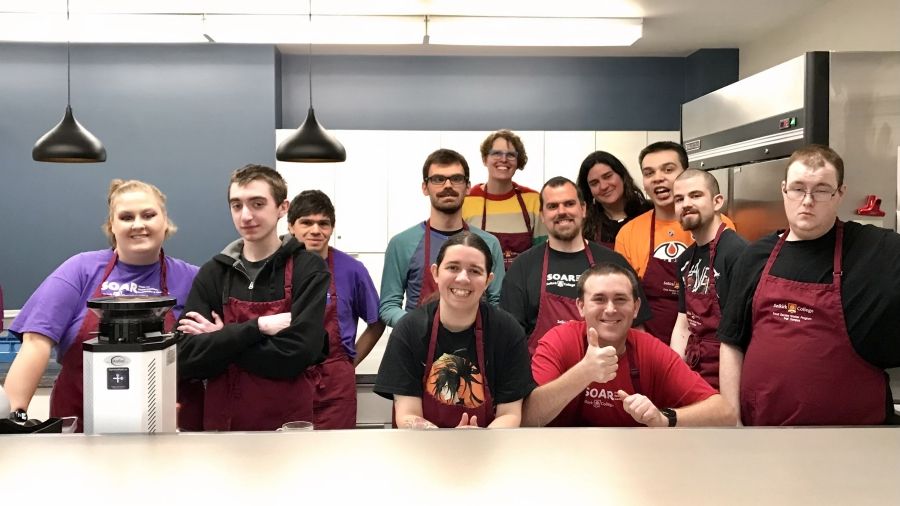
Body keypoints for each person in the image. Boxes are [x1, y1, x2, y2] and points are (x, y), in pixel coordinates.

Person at [718, 145, 900, 426]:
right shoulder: (755, 256)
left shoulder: (876, 250)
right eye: (798, 188)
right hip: (764, 434)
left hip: (854, 439)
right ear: (784, 190)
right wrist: (732, 419)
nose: (808, 200)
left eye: (822, 189)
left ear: (840, 194)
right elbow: (732, 342)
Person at [4, 179, 198, 431]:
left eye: (148, 215)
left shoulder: (193, 278)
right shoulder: (79, 270)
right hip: (80, 426)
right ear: (111, 226)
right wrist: (13, 418)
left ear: (165, 222)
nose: (138, 224)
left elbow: (210, 350)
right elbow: (35, 342)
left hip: (165, 426)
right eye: (126, 217)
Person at [176, 164, 329, 431]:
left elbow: (298, 353)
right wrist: (258, 328)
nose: (246, 215)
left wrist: (222, 337)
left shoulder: (308, 269)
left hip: (288, 429)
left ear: (283, 208)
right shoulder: (213, 273)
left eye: (257, 204)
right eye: (237, 206)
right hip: (223, 429)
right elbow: (186, 356)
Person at [523, 262, 736, 427]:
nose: (610, 309)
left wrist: (665, 418)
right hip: (561, 461)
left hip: (632, 464)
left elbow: (725, 414)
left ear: (636, 308)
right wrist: (583, 373)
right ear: (580, 306)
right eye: (598, 299)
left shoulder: (650, 350)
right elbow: (528, 417)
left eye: (620, 299)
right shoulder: (558, 341)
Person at [375, 231, 535, 428]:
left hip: (490, 450)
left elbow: (510, 415)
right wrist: (449, 441)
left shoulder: (508, 333)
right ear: (435, 272)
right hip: (422, 451)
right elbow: (407, 414)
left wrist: (478, 440)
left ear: (488, 280)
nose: (463, 278)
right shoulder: (409, 330)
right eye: (452, 267)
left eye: (475, 271)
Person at [501, 176, 651, 355]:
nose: (561, 211)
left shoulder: (614, 263)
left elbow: (637, 331)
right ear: (542, 215)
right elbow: (509, 339)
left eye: (569, 204)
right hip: (543, 378)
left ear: (583, 209)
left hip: (607, 375)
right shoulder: (522, 267)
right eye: (552, 206)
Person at [615, 141, 734, 345]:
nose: (658, 178)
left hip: (705, 345)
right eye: (649, 173)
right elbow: (623, 298)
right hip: (648, 343)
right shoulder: (629, 233)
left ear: (685, 174)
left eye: (668, 169)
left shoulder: (719, 226)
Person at [287, 190, 385, 430]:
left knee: (336, 456)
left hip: (336, 386)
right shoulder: (277, 268)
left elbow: (377, 323)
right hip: (289, 381)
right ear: (291, 227)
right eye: (306, 222)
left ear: (332, 228)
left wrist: (350, 364)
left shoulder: (352, 270)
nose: (315, 230)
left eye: (324, 223)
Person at [380, 148, 505, 328]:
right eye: (438, 179)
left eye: (456, 179)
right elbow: (388, 305)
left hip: (473, 342)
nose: (448, 185)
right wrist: (418, 325)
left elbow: (497, 302)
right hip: (419, 343)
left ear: (468, 187)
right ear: (425, 187)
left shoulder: (489, 244)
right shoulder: (401, 244)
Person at [670, 170, 747, 389]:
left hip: (730, 375)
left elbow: (741, 335)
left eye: (695, 195)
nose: (686, 204)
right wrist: (676, 378)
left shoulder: (738, 253)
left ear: (717, 202)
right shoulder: (686, 259)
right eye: (679, 199)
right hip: (696, 371)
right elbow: (683, 324)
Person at [461, 129, 546, 269]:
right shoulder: (467, 199)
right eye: (496, 153)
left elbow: (542, 254)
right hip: (480, 288)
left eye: (511, 155)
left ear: (518, 161)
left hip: (522, 287)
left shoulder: (533, 200)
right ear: (484, 159)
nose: (504, 159)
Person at [576, 150, 652, 249]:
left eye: (607, 176)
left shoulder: (651, 211)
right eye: (594, 183)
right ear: (589, 190)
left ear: (622, 175)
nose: (603, 186)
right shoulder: (583, 226)